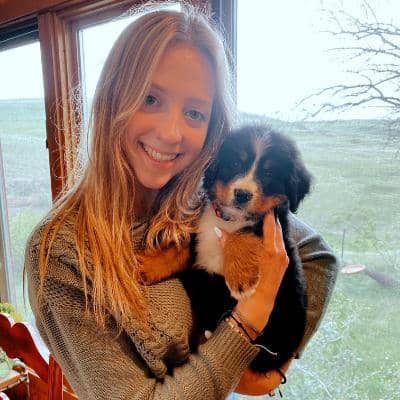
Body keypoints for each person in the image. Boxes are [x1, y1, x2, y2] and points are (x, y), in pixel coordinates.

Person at [24, 3, 338, 399]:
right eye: (150, 99)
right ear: (112, 100)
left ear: (212, 126)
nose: (172, 133)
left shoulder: (205, 196)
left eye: (194, 112)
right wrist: (244, 328)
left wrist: (273, 365)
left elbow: (317, 254)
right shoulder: (61, 253)